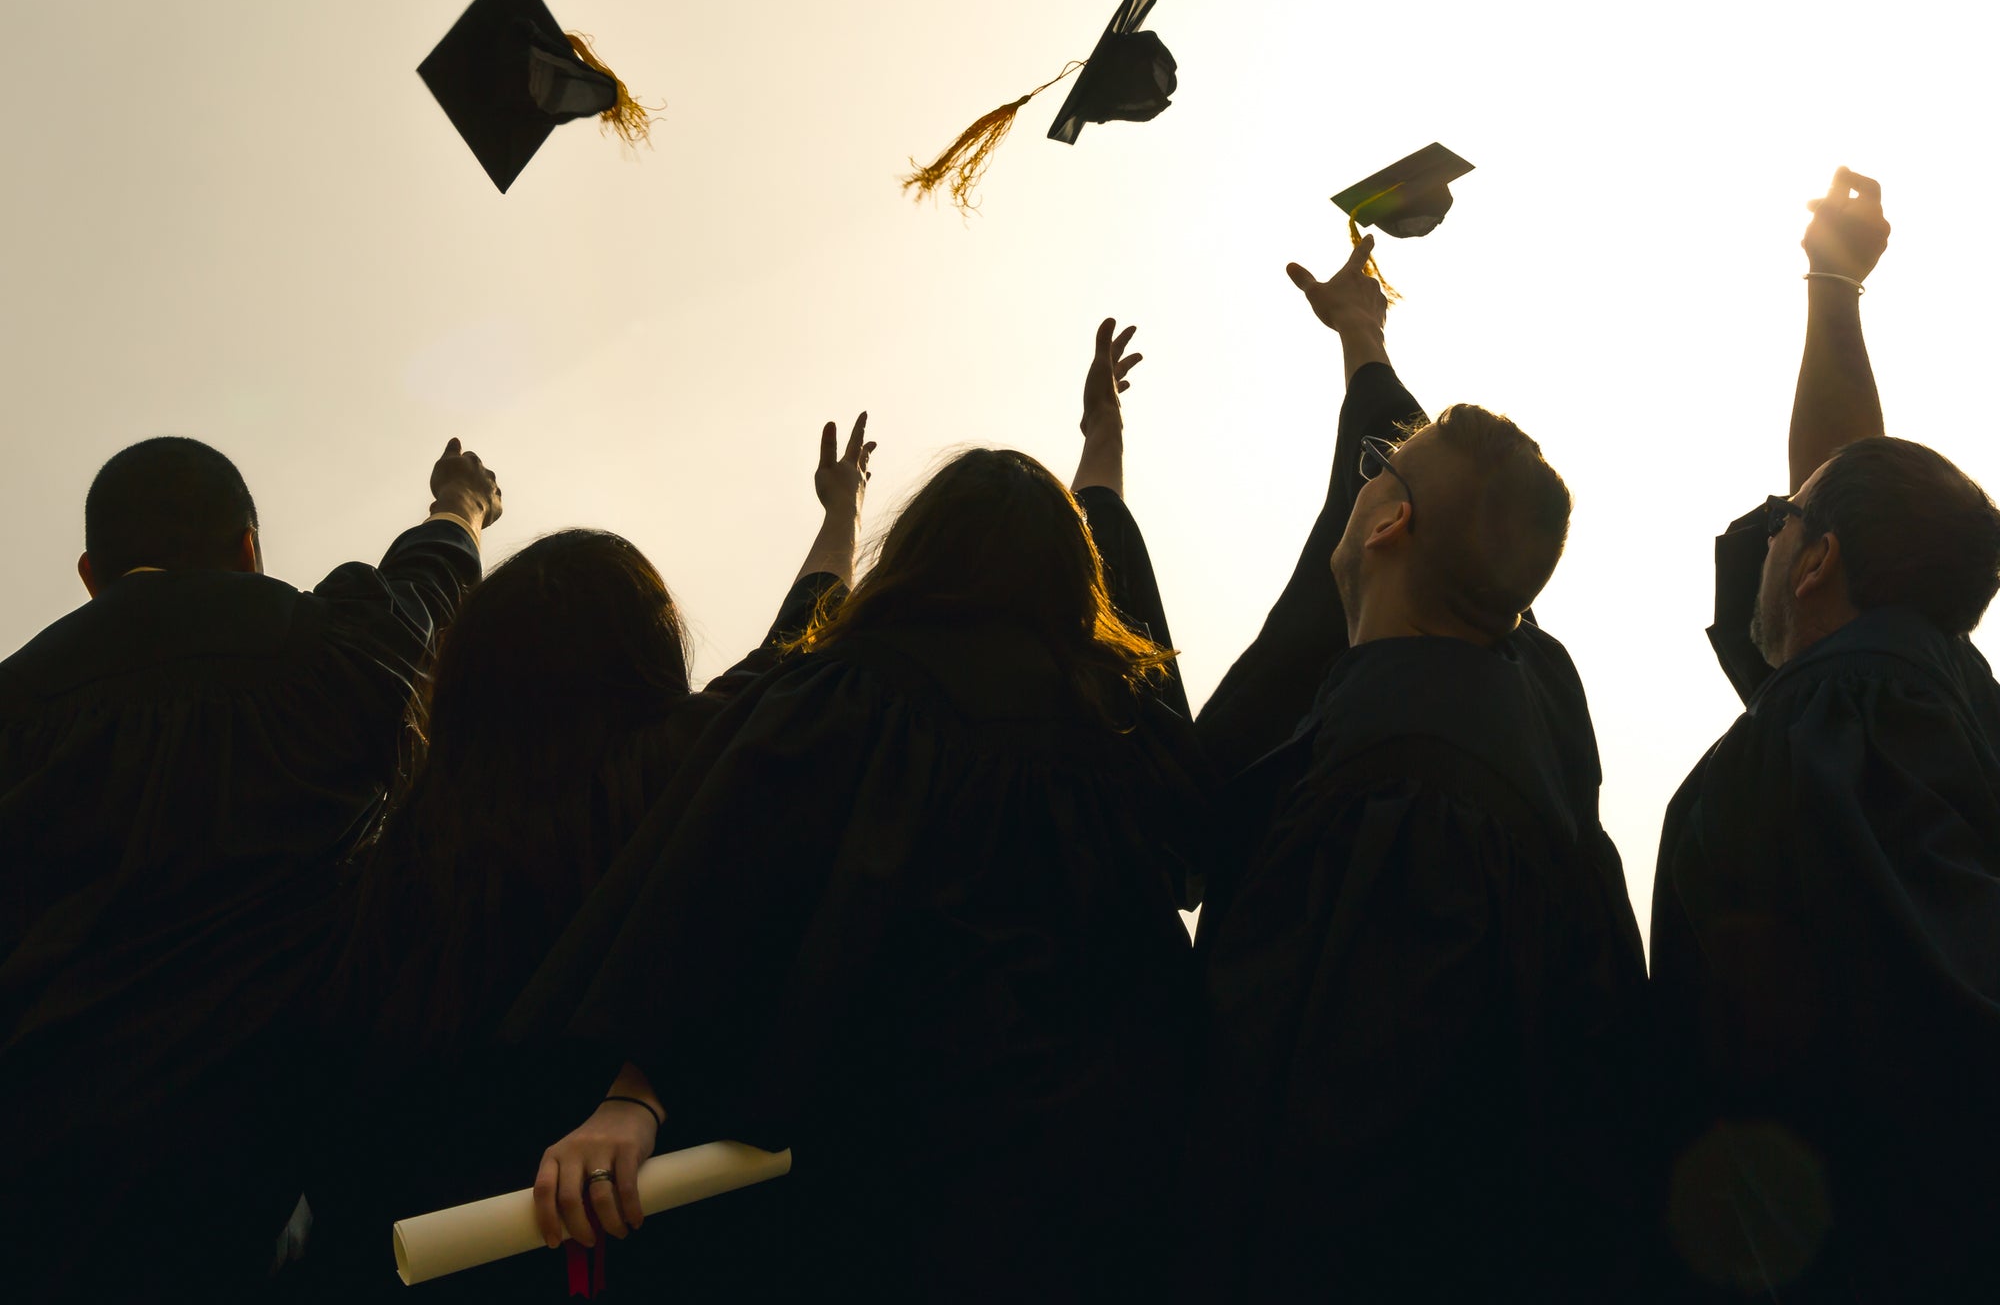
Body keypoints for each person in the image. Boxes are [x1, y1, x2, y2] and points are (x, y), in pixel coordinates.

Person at [516, 320, 1209, 1303]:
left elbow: (730, 881)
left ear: (918, 551)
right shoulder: (1120, 722)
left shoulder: (850, 692)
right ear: (1074, 573)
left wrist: (637, 1092)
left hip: (896, 1176)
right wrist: (1103, 443)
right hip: (1120, 1187)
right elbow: (1187, 842)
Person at [296, 417, 877, 1301]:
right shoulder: (692, 767)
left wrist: (456, 512)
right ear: (647, 648)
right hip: (648, 1221)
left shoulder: (414, 838)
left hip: (440, 1234)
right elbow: (801, 641)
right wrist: (843, 514)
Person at [1189, 236, 1650, 1301]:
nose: (1358, 486)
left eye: (1379, 475)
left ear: (1389, 519)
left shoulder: (1400, 801)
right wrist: (1363, 337)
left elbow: (1345, 1167)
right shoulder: (1530, 713)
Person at [0, 433, 499, 1301]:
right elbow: (427, 597)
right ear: (248, 548)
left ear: (89, 575)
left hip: (30, 1186)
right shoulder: (328, 647)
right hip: (255, 1188)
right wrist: (459, 505)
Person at [1651, 170, 2000, 1300]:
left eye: (1783, 528)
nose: (1765, 535)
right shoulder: (1935, 697)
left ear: (1815, 566)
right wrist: (1833, 286)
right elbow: (1849, 493)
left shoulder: (1838, 724)